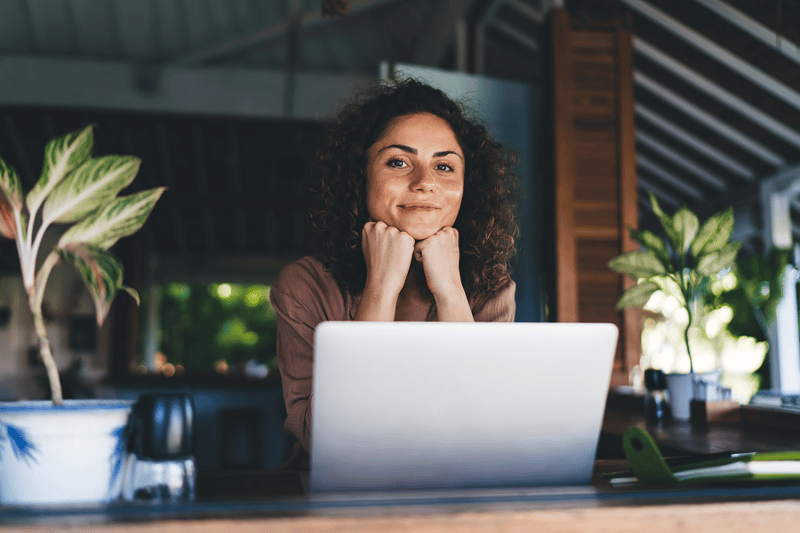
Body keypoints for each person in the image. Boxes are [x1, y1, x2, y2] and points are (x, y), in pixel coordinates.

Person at [269, 78, 518, 457]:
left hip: (451, 489)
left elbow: (481, 430)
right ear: (361, 176)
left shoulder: (492, 288)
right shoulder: (304, 287)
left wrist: (450, 291)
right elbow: (330, 442)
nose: (424, 183)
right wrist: (382, 288)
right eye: (398, 162)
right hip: (340, 498)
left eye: (445, 166)